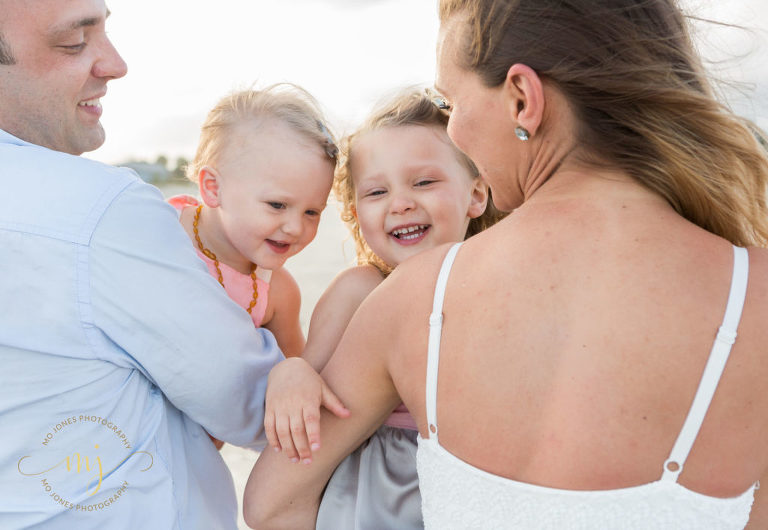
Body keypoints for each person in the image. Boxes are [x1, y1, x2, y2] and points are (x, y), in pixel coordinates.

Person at [244, 0, 768, 528]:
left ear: (522, 99)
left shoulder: (417, 296)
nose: (455, 132)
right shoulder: (756, 298)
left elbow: (271, 506)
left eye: (453, 104)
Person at [0, 1, 283, 528]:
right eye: (74, 43)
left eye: (105, 31)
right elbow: (254, 404)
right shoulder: (95, 212)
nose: (115, 63)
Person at [263, 88, 502, 529]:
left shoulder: (501, 291)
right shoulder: (361, 290)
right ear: (356, 214)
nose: (401, 203)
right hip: (378, 497)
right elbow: (306, 381)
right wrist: (289, 374)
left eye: (424, 182)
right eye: (377, 191)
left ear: (476, 193)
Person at [169, 86, 339, 359]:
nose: (296, 228)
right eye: (277, 205)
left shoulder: (278, 294)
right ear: (213, 188)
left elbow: (295, 371)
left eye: (312, 212)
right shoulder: (162, 227)